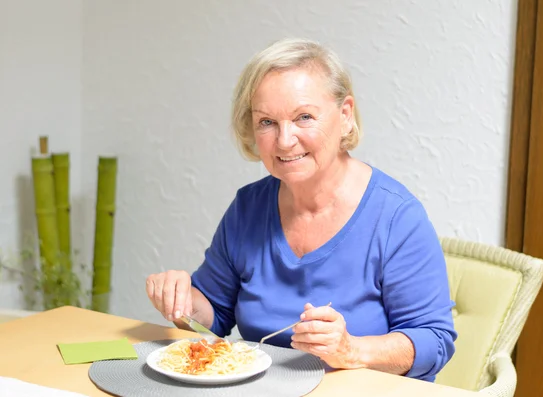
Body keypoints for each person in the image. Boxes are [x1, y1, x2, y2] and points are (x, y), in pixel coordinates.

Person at [146, 38, 457, 382]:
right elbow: (214, 314)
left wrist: (350, 350)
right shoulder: (248, 207)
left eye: (304, 117)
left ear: (345, 115)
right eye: (267, 122)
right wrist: (181, 301)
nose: (284, 140)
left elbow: (434, 340)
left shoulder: (397, 217)